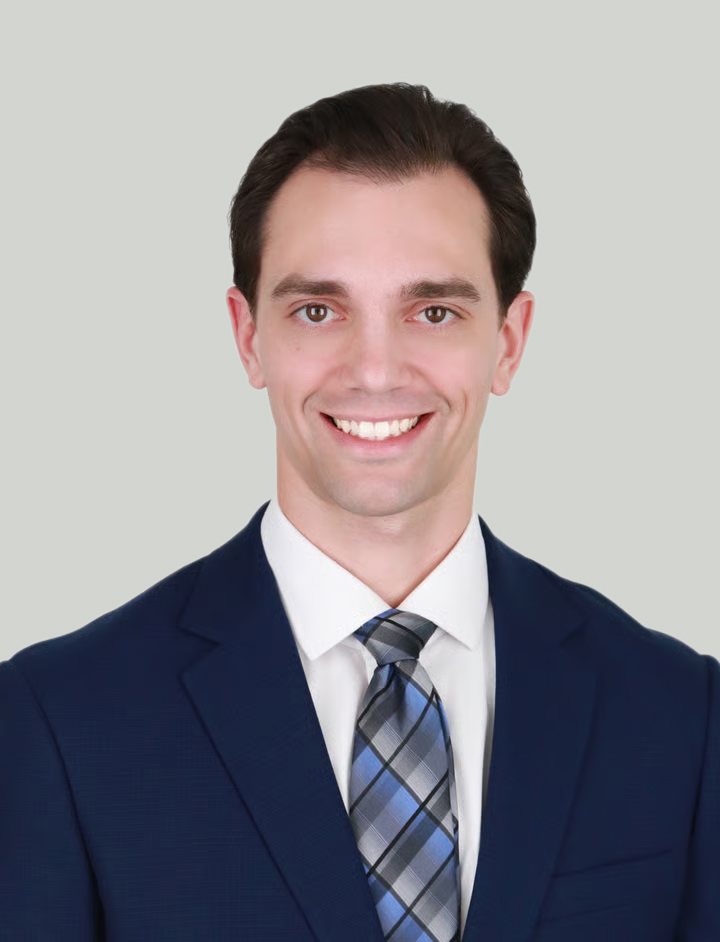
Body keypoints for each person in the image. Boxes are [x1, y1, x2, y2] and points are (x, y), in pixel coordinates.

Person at [0, 83, 717, 942]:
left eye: (434, 311)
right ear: (248, 337)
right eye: (318, 310)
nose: (375, 370)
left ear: (509, 341)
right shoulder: (61, 720)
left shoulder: (680, 715)